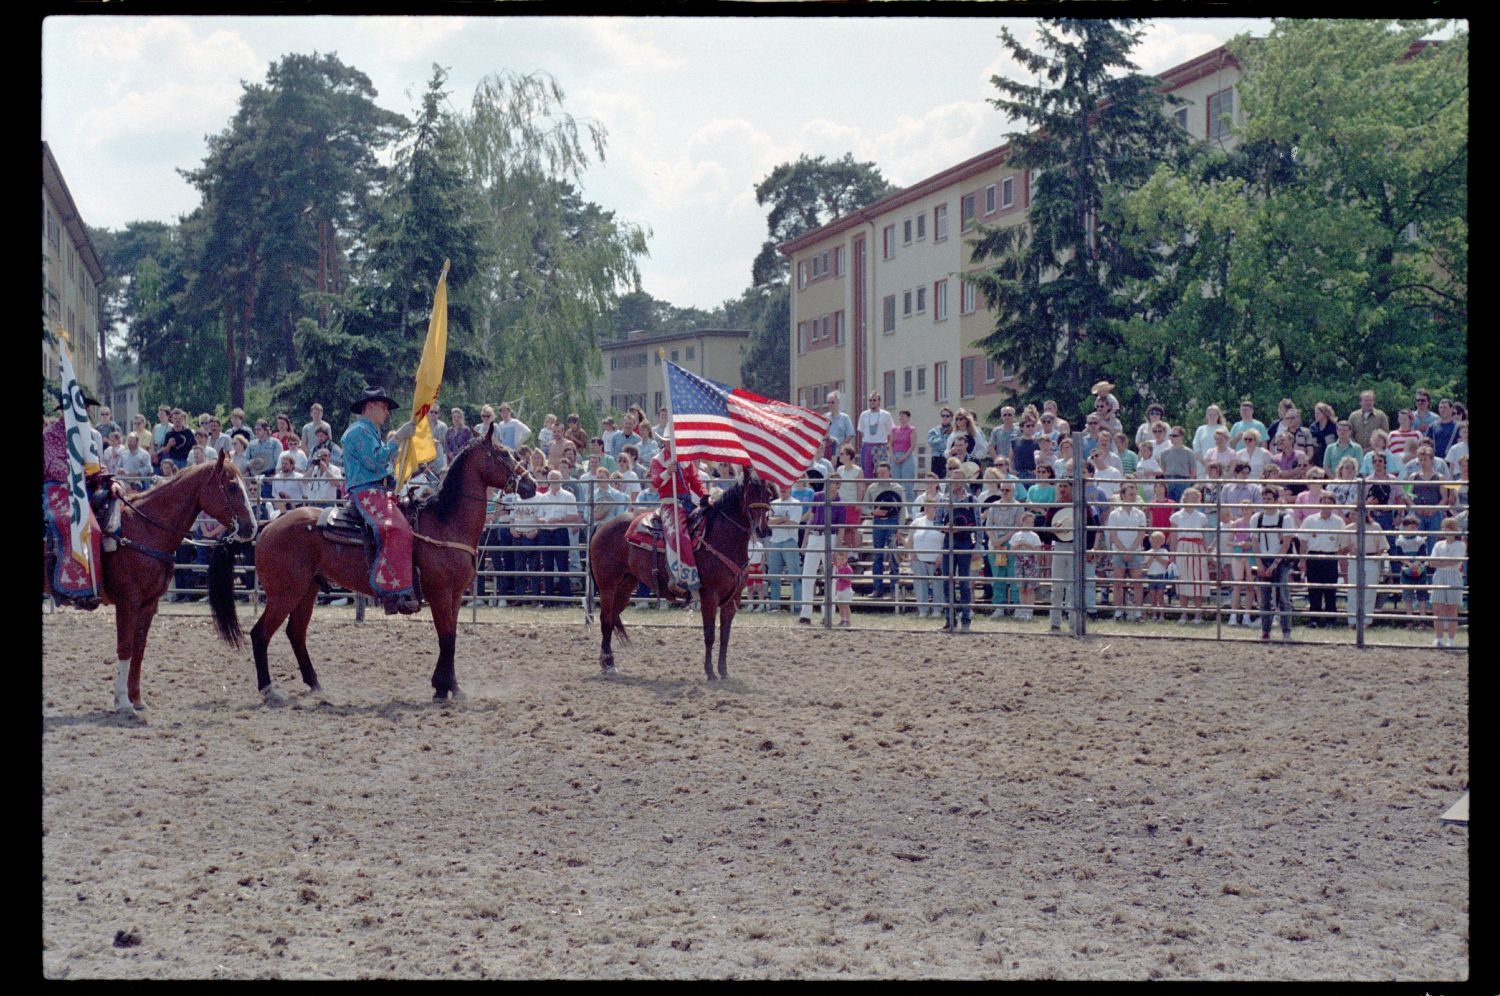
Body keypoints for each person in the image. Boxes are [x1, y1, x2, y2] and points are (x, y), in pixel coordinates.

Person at [343, 387, 418, 614]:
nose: (387, 413)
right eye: (384, 407)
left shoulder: (369, 432)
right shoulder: (357, 432)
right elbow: (376, 462)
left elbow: (380, 466)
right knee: (399, 530)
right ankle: (392, 592)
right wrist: (398, 438)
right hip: (366, 492)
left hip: (379, 491)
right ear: (371, 406)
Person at [649, 437, 710, 595]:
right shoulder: (658, 460)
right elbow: (655, 482)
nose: (673, 444)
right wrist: (667, 473)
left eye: (674, 441)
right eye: (669, 441)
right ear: (664, 442)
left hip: (687, 501)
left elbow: (695, 481)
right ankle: (684, 579)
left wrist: (705, 495)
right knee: (679, 535)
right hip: (670, 502)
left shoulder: (685, 459)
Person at [1252, 485, 1296, 642]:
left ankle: (1286, 631)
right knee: (1264, 599)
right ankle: (1265, 631)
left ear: (1276, 501)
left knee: (1283, 597)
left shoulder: (1285, 518)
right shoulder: (1256, 518)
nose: (1266, 502)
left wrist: (1274, 564)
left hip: (1280, 561)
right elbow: (1255, 542)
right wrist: (1260, 563)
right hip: (1264, 559)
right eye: (1264, 499)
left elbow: (1286, 544)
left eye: (1269, 499)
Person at [1106, 480, 1148, 621]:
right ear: (1123, 496)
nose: (1133, 497)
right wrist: (1124, 550)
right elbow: (1113, 535)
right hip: (1119, 551)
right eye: (1130, 494)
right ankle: (1118, 612)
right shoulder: (1114, 514)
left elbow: (1141, 534)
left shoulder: (1140, 514)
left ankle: (1138, 612)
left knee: (1137, 583)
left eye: (1134, 494)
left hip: (1135, 550)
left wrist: (1131, 550)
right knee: (1118, 583)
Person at [1343, 506, 1387, 630]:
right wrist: (1351, 550)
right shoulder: (1349, 528)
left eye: (1354, 514)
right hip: (1355, 559)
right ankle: (1352, 620)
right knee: (1353, 590)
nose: (1352, 516)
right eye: (1351, 514)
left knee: (1369, 591)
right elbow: (1344, 546)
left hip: (1371, 559)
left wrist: (1376, 558)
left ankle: (1366, 620)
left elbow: (1382, 545)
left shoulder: (1375, 527)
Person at [864, 463, 904, 598]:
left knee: (893, 555)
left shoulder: (897, 488)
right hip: (878, 523)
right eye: (879, 472)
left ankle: (894, 589)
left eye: (884, 472)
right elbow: (864, 507)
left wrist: (900, 528)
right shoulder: (872, 488)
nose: (881, 475)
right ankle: (877, 589)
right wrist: (872, 512)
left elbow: (903, 509)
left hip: (893, 521)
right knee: (877, 557)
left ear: (890, 473)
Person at [1170, 487, 1210, 623]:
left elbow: (1204, 537)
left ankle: (1198, 614)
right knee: (1183, 580)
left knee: (1198, 581)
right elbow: (1173, 537)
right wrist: (1173, 554)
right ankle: (1184, 614)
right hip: (1182, 547)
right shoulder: (1176, 516)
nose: (1193, 499)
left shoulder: (1202, 517)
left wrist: (1207, 553)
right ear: (1184, 498)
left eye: (1196, 497)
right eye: (1190, 496)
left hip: (1197, 548)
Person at [763, 481, 804, 612]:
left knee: (795, 576)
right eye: (780, 486)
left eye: (785, 486)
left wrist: (777, 520)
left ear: (790, 487)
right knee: (774, 576)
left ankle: (797, 607)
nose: (782, 488)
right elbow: (767, 523)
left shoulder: (796, 503)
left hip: (789, 540)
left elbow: (793, 524)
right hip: (774, 541)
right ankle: (775, 607)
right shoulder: (773, 503)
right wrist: (783, 519)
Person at [903, 500, 945, 618]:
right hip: (918, 559)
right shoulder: (917, 522)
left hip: (936, 560)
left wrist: (941, 554)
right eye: (925, 506)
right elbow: (910, 538)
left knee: (938, 585)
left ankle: (937, 609)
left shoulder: (942, 523)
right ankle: (923, 609)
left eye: (930, 507)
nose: (926, 509)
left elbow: (946, 541)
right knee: (920, 584)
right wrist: (911, 552)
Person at [1428, 517, 1465, 648]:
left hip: (1454, 576)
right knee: (1437, 608)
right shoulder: (1438, 545)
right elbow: (1431, 562)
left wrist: (1441, 562)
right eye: (1444, 528)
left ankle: (1451, 639)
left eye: (1449, 528)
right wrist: (1445, 562)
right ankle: (1438, 638)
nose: (1446, 531)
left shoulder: (1461, 545)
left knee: (1452, 609)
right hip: (1439, 576)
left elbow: (1456, 561)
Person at [1393, 514, 1430, 628]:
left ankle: (1422, 621)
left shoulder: (1420, 540)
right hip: (1406, 571)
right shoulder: (1400, 541)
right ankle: (1410, 620)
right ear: (1404, 527)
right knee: (1408, 597)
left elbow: (1423, 554)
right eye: (1409, 527)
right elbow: (1399, 556)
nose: (1412, 529)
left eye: (1415, 527)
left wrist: (1416, 563)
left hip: (1420, 570)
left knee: (1422, 596)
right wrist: (1409, 564)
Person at [857, 392, 894, 479]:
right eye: (870, 400)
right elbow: (861, 431)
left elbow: (892, 431)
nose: (872, 402)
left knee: (881, 471)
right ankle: (868, 491)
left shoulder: (886, 414)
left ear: (879, 402)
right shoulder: (864, 415)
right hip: (867, 446)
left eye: (874, 400)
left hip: (880, 446)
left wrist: (888, 445)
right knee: (866, 472)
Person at [1143, 531, 1173, 622]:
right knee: (1153, 597)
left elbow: (1166, 564)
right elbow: (1147, 565)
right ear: (1150, 541)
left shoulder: (1164, 551)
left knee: (1160, 596)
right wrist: (1152, 556)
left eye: (1158, 541)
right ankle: (1154, 615)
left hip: (1161, 576)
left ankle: (1162, 615)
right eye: (1153, 541)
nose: (1155, 543)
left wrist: (1157, 557)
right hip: (1151, 576)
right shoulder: (1148, 552)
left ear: (1162, 542)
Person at [890, 409, 918, 501]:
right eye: (900, 415)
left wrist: (904, 457)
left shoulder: (912, 430)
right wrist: (893, 456)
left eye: (903, 415)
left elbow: (912, 445)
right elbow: (890, 444)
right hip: (895, 457)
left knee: (908, 485)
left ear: (908, 417)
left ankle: (910, 510)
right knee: (896, 485)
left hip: (907, 457)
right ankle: (897, 508)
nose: (901, 417)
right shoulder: (894, 430)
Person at [824, 391, 854, 463]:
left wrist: (840, 447)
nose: (831, 404)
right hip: (827, 453)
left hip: (841, 454)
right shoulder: (824, 417)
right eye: (829, 402)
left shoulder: (845, 418)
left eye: (833, 402)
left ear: (838, 402)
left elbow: (850, 435)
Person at [927, 407, 955, 478]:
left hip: (950, 458)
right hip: (936, 458)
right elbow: (931, 443)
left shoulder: (954, 431)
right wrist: (943, 436)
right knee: (936, 481)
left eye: (947, 416)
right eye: (943, 415)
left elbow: (951, 446)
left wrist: (940, 443)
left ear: (951, 418)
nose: (945, 418)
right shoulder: (933, 430)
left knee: (949, 480)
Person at [831, 551, 854, 627]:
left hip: (846, 589)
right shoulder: (837, 568)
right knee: (840, 605)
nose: (840, 561)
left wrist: (842, 576)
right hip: (839, 589)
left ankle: (848, 620)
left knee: (845, 605)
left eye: (842, 559)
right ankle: (842, 619)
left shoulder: (848, 568)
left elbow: (850, 578)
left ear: (846, 559)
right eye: (838, 559)